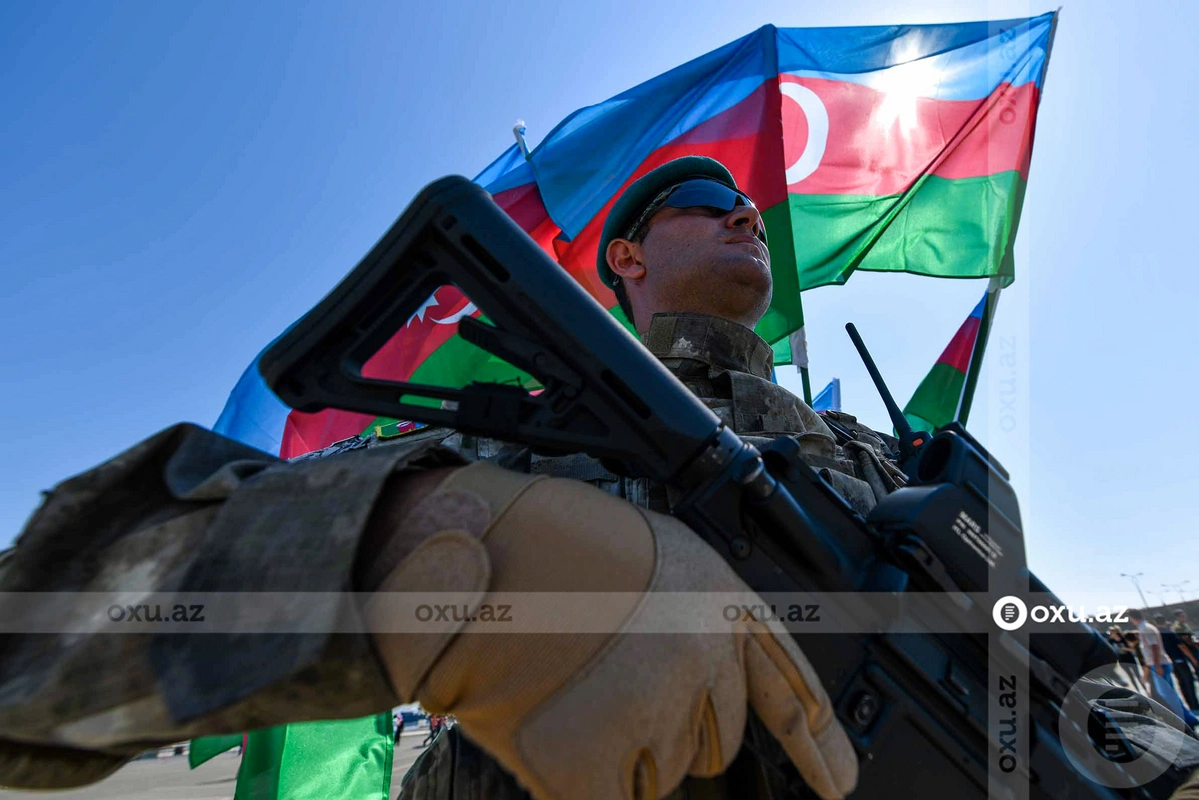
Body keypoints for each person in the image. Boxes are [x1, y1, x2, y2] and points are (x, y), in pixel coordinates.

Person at [0, 157, 875, 800]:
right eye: (709, 203)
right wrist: (401, 535)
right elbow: (47, 630)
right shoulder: (526, 433)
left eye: (752, 210)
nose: (745, 216)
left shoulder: (880, 459)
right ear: (626, 260)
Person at [1158, 614, 1199, 713]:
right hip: (1179, 659)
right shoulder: (1170, 632)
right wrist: (1192, 659)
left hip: (1171, 661)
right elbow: (1182, 646)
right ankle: (1194, 705)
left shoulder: (1158, 634)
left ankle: (1190, 704)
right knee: (1188, 681)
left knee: (1181, 682)